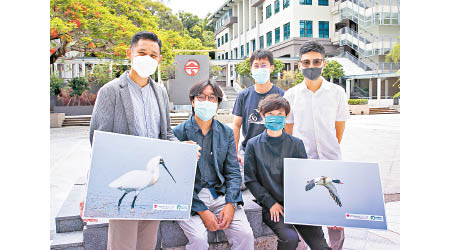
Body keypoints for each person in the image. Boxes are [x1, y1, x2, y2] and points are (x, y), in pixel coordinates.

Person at [89, 31, 178, 250]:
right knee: (123, 243)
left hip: (152, 183)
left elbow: (166, 134)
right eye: (142, 52)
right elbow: (98, 139)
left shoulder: (160, 92)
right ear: (130, 54)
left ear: (159, 59)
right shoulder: (111, 91)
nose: (147, 58)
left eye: (153, 54)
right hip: (125, 178)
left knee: (148, 241)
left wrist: (181, 148)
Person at [173, 80, 254, 250]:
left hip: (220, 194)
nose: (206, 102)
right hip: (190, 196)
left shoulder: (226, 132)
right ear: (192, 101)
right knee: (199, 239)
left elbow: (233, 172)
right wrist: (201, 210)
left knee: (245, 234)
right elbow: (175, 181)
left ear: (218, 104)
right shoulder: (178, 133)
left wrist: (231, 203)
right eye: (201, 97)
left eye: (212, 98)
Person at [284, 41, 351, 250]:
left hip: (331, 161)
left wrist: (327, 150)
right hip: (303, 164)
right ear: (299, 65)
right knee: (305, 215)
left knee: (335, 215)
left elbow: (338, 130)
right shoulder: (291, 96)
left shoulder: (337, 93)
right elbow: (289, 132)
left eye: (316, 61)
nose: (311, 66)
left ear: (324, 63)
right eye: (306, 62)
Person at [244, 94, 331, 250]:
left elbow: (304, 178)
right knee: (290, 239)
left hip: (297, 204)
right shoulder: (253, 145)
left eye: (280, 114)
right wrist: (270, 203)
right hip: (271, 205)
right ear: (262, 116)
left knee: (320, 246)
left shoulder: (296, 144)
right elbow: (251, 180)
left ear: (286, 116)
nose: (275, 118)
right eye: (270, 114)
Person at [232, 49, 285, 190]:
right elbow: (236, 125)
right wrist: (235, 153)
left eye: (264, 65)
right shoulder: (243, 95)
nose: (259, 69)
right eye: (256, 65)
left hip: (274, 151)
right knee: (240, 184)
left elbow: (288, 126)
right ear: (251, 69)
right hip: (248, 151)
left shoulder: (281, 95)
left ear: (271, 68)